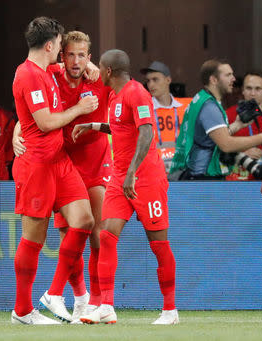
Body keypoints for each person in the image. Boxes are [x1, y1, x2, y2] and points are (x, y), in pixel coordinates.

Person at [72, 49, 179, 325]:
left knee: (158, 244)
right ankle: (106, 305)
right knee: (106, 235)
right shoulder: (114, 95)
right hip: (120, 178)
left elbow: (146, 131)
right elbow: (121, 127)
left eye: (100, 69)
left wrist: (132, 171)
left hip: (146, 179)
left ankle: (170, 310)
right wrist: (93, 125)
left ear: (108, 71)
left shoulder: (137, 93)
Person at [13, 31, 111, 322]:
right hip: (45, 161)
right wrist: (19, 131)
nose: (74, 60)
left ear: (89, 57)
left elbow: (121, 116)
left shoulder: (93, 78)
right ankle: (27, 308)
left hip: (79, 161)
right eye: (68, 52)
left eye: (82, 55)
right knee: (45, 236)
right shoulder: (42, 73)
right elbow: (38, 116)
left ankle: (81, 297)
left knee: (88, 225)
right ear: (55, 49)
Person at [169, 59, 262, 180]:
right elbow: (226, 144)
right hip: (201, 178)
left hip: (195, 174)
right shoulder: (209, 107)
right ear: (214, 80)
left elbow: (209, 138)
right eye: (228, 75)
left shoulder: (202, 98)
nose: (233, 79)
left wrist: (237, 125)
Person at [140, 61, 192, 174]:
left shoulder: (187, 106)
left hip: (183, 169)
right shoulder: (144, 110)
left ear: (168, 80)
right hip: (155, 170)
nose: (151, 85)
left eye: (155, 79)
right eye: (148, 81)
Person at [225, 71, 262, 180]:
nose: (253, 93)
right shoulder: (228, 115)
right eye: (249, 88)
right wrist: (243, 154)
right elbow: (218, 149)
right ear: (243, 90)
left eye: (258, 89)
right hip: (238, 182)